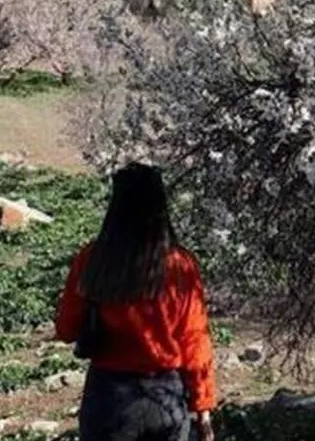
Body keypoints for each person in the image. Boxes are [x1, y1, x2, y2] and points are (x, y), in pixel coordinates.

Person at [54, 162, 217, 441]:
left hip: (108, 397)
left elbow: (66, 329)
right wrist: (203, 406)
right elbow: (195, 342)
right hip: (165, 396)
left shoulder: (93, 259)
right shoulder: (180, 265)